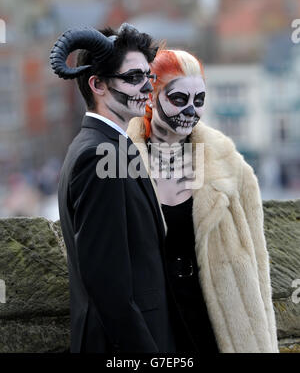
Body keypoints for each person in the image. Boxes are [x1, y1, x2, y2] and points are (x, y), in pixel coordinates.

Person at [127, 48, 279, 353]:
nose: (191, 111)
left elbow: (259, 267)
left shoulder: (231, 167)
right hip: (153, 328)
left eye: (200, 101)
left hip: (219, 327)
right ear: (150, 97)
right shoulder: (120, 163)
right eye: (179, 99)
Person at [50, 24, 179, 353]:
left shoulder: (112, 147)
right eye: (134, 77)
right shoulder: (97, 155)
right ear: (98, 84)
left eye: (148, 76)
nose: (147, 87)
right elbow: (107, 284)